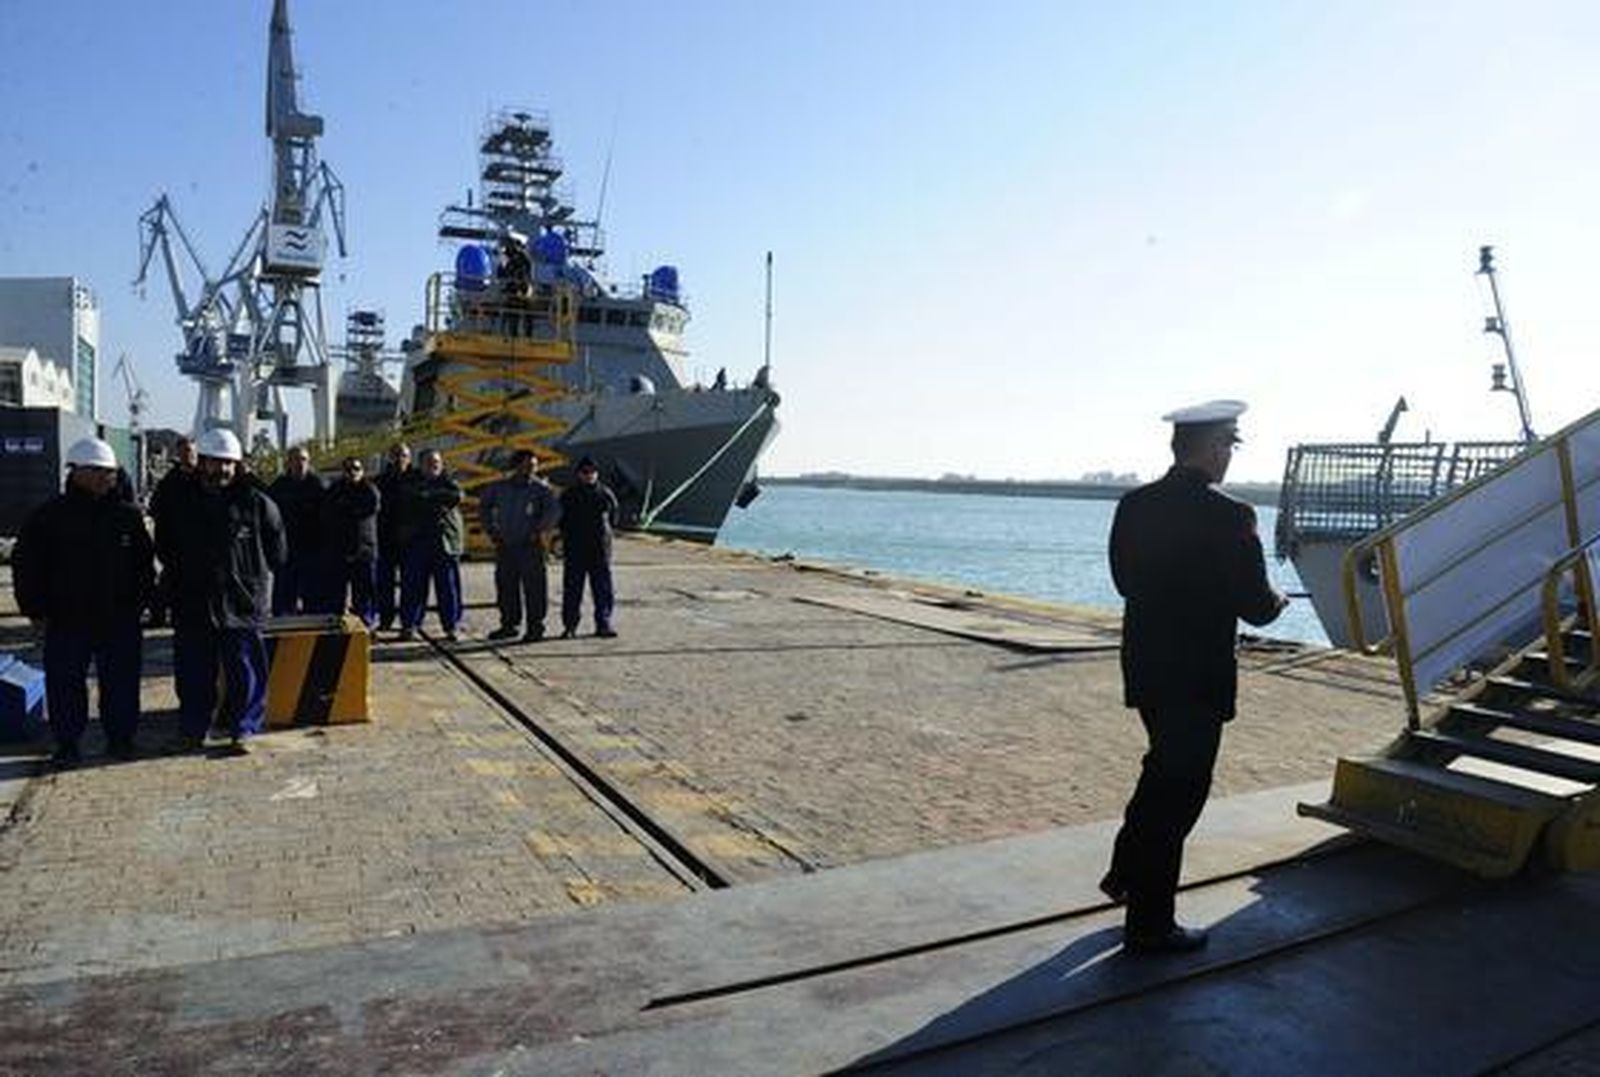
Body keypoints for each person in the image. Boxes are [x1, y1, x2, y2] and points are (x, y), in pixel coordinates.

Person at [1103, 399, 1287, 956]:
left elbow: (1123, 582)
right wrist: (1277, 600)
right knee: (1181, 791)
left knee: (1162, 771)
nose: (1230, 455)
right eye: (1230, 444)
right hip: (1198, 676)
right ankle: (1150, 924)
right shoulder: (1231, 515)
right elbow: (1255, 607)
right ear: (1212, 447)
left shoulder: (1133, 505)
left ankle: (1128, 875)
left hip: (1147, 667)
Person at [12, 437, 155, 764]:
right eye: (102, 472)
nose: (110, 478)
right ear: (79, 472)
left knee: (120, 682)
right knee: (65, 684)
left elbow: (144, 566)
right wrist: (34, 610)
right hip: (67, 619)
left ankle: (121, 739)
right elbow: (27, 566)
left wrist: (143, 604)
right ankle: (67, 743)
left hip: (118, 618)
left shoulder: (128, 518)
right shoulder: (48, 517)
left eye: (111, 472)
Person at [156, 427, 287, 752]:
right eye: (215, 463)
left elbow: (278, 552)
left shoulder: (258, 504)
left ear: (238, 465)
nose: (222, 470)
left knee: (245, 671)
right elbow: (165, 547)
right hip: (193, 601)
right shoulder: (180, 502)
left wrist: (248, 580)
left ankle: (243, 728)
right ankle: (193, 729)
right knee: (194, 673)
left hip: (241, 604)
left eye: (228, 463)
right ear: (202, 462)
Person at [479, 448, 560, 642]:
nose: (531, 469)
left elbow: (553, 512)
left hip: (530, 546)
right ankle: (509, 625)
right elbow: (485, 506)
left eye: (534, 465)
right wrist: (492, 530)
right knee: (506, 587)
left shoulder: (542, 490)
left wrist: (538, 531)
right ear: (517, 466)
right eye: (527, 465)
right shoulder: (500, 488)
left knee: (535, 589)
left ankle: (535, 627)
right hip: (505, 545)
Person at [397, 448, 465, 642]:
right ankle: (409, 625)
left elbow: (456, 496)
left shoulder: (449, 481)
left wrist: (428, 497)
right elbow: (412, 498)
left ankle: (451, 626)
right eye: (429, 462)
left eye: (436, 462)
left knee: (448, 588)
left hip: (445, 544)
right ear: (420, 464)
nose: (433, 465)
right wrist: (434, 499)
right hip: (418, 542)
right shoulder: (410, 482)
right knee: (413, 587)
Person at [557, 455, 619, 639]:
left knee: (603, 589)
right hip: (575, 549)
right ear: (578, 474)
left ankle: (603, 623)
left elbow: (614, 516)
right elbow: (560, 519)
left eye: (592, 472)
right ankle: (570, 626)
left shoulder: (605, 493)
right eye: (585, 472)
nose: (589, 475)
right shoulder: (568, 494)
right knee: (572, 590)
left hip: (599, 549)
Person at [320, 455, 381, 626]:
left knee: (364, 593)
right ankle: (337, 622)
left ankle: (367, 623)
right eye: (348, 469)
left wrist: (344, 509)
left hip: (364, 551)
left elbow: (368, 509)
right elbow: (328, 513)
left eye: (357, 468)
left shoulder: (370, 490)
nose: (353, 472)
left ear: (362, 471)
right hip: (340, 550)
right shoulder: (335, 490)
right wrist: (347, 509)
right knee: (336, 593)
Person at [147, 436, 199, 628]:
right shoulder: (169, 483)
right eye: (184, 452)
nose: (188, 456)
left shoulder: (204, 480)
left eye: (191, 452)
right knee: (169, 584)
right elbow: (157, 511)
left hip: (200, 546)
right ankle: (160, 616)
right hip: (175, 546)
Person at [268, 445, 326, 615]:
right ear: (288, 463)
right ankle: (283, 626)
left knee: (312, 595)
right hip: (286, 548)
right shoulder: (279, 486)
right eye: (296, 459)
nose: (300, 464)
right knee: (284, 594)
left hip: (311, 548)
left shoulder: (317, 486)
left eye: (304, 459)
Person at [374, 442, 413, 631]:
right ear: (389, 458)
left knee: (411, 584)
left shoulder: (416, 480)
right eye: (396, 455)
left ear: (410, 458)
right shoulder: (380, 482)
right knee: (384, 584)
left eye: (404, 455)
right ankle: (385, 619)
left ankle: (409, 622)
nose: (400, 459)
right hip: (386, 539)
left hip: (410, 541)